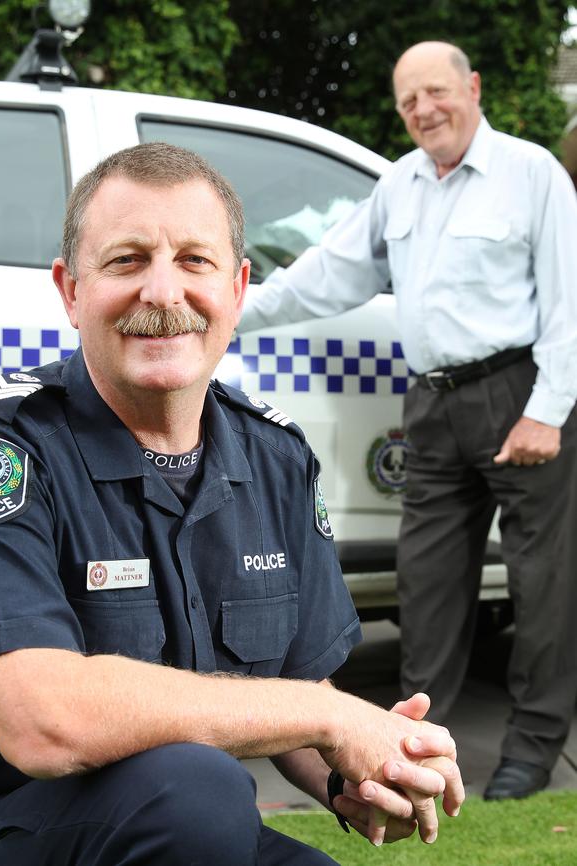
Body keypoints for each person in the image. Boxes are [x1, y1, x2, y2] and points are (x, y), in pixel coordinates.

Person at [0, 142, 463, 864]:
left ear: (237, 289)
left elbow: (299, 687)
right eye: (126, 261)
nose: (162, 292)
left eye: (194, 261)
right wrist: (328, 715)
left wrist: (363, 772)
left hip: (172, 831)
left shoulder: (276, 458)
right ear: (71, 291)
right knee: (197, 790)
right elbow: (39, 720)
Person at [238, 41, 577, 802]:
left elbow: (570, 301)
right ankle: (420, 744)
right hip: (430, 402)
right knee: (426, 584)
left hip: (517, 392)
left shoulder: (532, 175)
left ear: (473, 87)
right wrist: (234, 313)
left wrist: (548, 410)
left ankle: (531, 750)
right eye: (408, 101)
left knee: (542, 583)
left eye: (435, 92)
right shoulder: (400, 185)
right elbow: (331, 274)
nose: (423, 111)